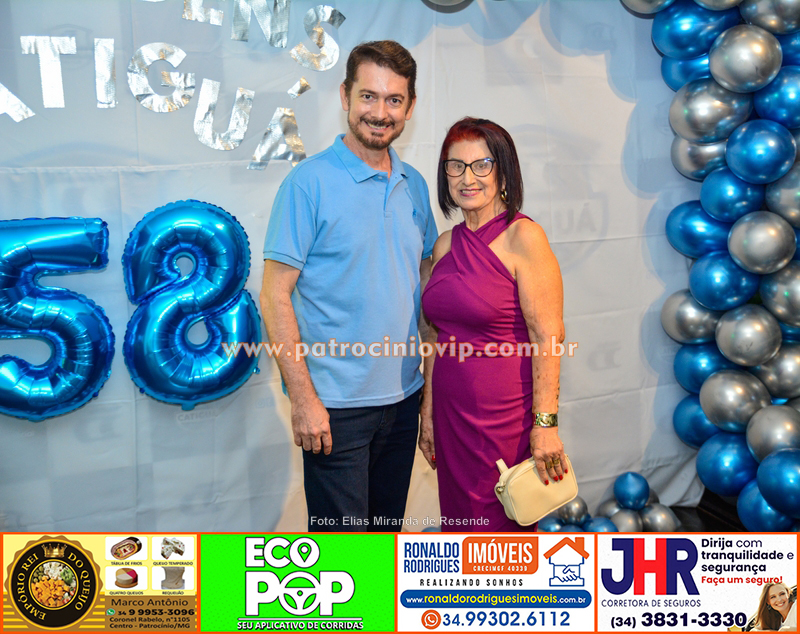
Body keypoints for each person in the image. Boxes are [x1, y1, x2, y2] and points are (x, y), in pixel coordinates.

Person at [260, 41, 438, 532]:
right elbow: (274, 295)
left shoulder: (415, 185)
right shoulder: (307, 184)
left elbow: (426, 289)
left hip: (403, 402)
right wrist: (303, 399)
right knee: (343, 557)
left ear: (410, 106)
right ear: (345, 96)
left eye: (394, 99)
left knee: (383, 543)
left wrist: (430, 393)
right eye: (368, 96)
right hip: (334, 411)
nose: (380, 113)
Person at [420, 117, 567, 531]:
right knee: (459, 531)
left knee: (500, 536)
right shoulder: (444, 245)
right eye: (456, 166)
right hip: (451, 417)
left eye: (481, 165)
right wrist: (428, 412)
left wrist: (545, 425)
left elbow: (548, 337)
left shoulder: (524, 238)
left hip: (504, 422)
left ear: (504, 172)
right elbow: (435, 335)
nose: (467, 178)